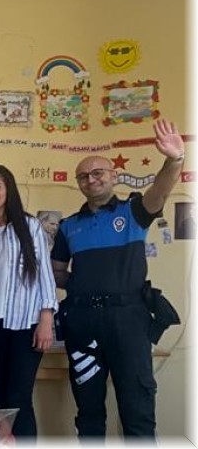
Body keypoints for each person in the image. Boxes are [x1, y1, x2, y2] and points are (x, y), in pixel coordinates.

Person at [51, 119, 185, 439]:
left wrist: (174, 159)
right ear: (79, 184)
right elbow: (55, 271)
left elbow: (160, 191)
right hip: (82, 323)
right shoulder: (68, 226)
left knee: (137, 410)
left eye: (98, 173)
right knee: (89, 413)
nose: (90, 179)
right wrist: (82, 286)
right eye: (83, 176)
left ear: (112, 176)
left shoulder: (134, 211)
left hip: (129, 321)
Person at [0, 163, 58, 439]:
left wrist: (46, 318)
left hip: (25, 324)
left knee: (19, 397)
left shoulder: (29, 227)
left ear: (8, 189)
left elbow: (45, 276)